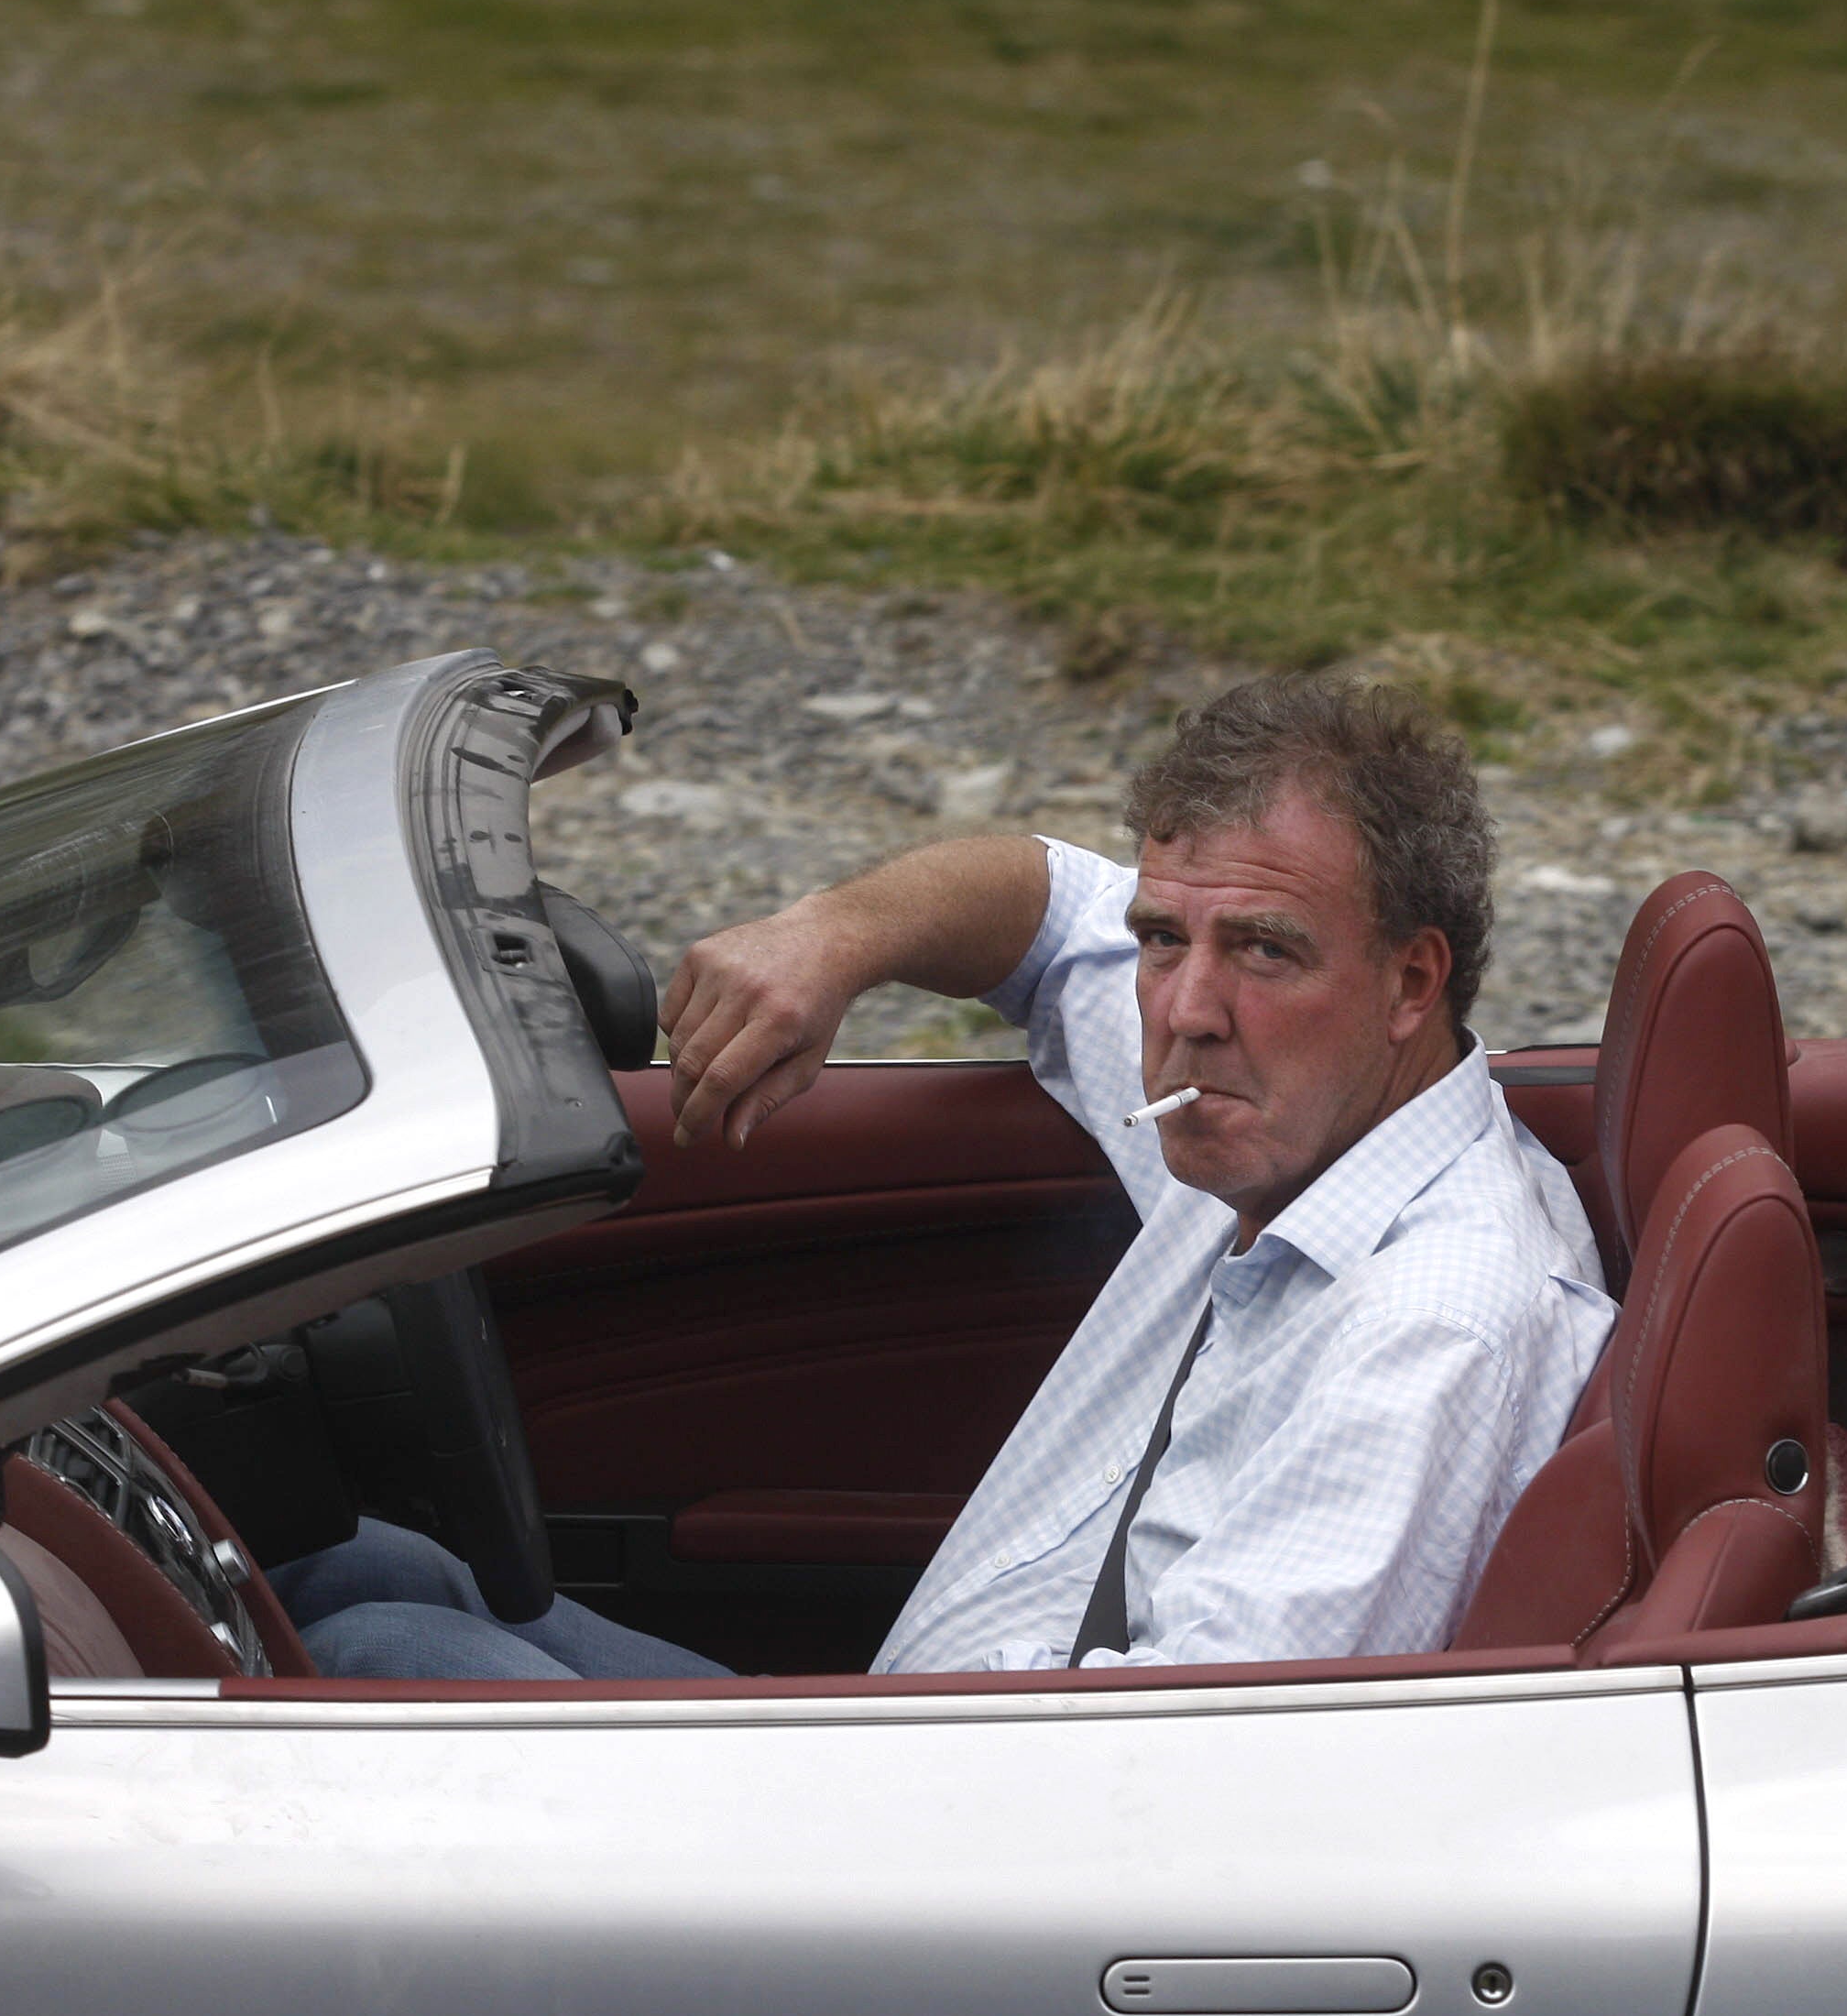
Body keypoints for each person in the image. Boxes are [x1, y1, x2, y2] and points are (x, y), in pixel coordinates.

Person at [291, 672, 1616, 1681]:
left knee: (376, 1657)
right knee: (363, 1565)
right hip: (915, 1753)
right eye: (1165, 938)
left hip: (954, 1858)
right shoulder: (1284, 1123)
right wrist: (837, 936)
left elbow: (1193, 1784)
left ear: (1411, 980)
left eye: (1265, 952)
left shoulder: (1430, 1326)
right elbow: (1043, 906)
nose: (1187, 1008)